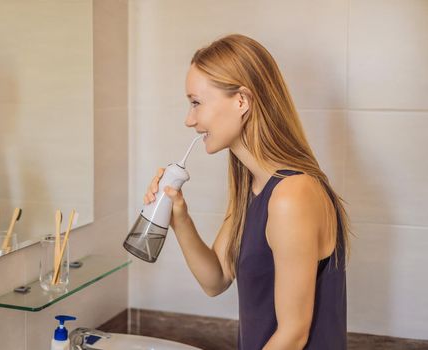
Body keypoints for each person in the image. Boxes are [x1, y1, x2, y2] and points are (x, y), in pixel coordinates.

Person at [143, 34, 351, 349]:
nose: (190, 120)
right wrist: (179, 217)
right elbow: (216, 279)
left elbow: (293, 334)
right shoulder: (253, 188)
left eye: (196, 102)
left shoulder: (291, 195)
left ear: (242, 101)